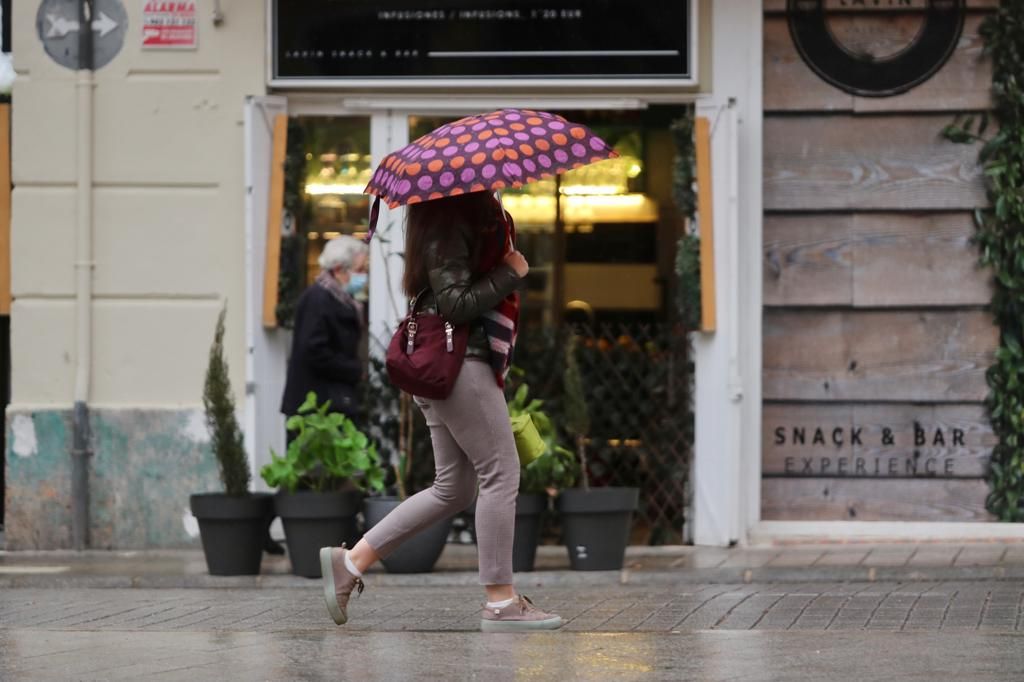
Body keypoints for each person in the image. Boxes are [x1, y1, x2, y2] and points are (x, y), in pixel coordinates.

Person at [318, 191, 563, 633]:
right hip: (458, 364)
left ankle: (351, 563)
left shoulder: (444, 215)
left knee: (454, 488)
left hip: (444, 364)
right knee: (501, 473)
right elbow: (455, 302)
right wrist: (510, 271)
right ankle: (500, 600)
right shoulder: (453, 217)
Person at [281, 236, 368, 426]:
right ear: (338, 270)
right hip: (319, 407)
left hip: (328, 402)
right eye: (359, 270)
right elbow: (314, 351)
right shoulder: (319, 299)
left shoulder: (337, 299)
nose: (363, 276)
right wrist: (354, 370)